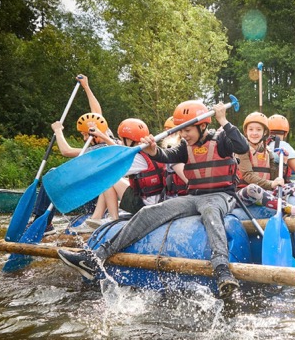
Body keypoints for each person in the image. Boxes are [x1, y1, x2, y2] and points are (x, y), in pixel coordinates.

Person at [57, 100, 250, 298]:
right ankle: (97, 257)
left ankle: (222, 271)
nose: (183, 135)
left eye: (188, 130)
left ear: (202, 126)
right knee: (148, 211)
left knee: (210, 212)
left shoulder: (222, 140)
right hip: (194, 197)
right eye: (181, 130)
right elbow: (166, 155)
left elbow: (242, 147)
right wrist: (152, 151)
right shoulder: (185, 146)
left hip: (221, 196)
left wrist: (223, 120)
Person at [236, 112, 295, 216]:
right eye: (251, 129)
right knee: (253, 188)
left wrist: (284, 162)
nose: (254, 133)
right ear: (246, 132)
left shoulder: (268, 151)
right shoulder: (241, 150)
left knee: (294, 185)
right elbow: (247, 175)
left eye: (258, 129)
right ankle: (293, 209)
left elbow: (274, 177)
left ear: (265, 132)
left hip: (265, 192)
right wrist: (271, 184)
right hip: (244, 195)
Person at [51, 112, 120, 232]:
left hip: (93, 196)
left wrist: (58, 130)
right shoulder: (114, 141)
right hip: (99, 195)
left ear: (96, 134)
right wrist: (88, 91)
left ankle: (45, 223)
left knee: (54, 176)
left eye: (85, 135)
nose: (84, 139)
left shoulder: (100, 148)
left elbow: (66, 151)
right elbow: (97, 112)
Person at [114, 118, 166, 215]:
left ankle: (109, 217)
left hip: (144, 207)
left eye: (122, 140)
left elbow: (113, 171)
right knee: (122, 180)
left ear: (129, 140)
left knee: (109, 179)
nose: (120, 143)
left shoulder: (136, 159)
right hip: (159, 202)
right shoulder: (153, 151)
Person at [160, 116, 188, 198]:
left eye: (170, 131)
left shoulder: (191, 148)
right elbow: (188, 180)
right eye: (166, 131)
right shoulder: (173, 149)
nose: (167, 135)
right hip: (178, 198)